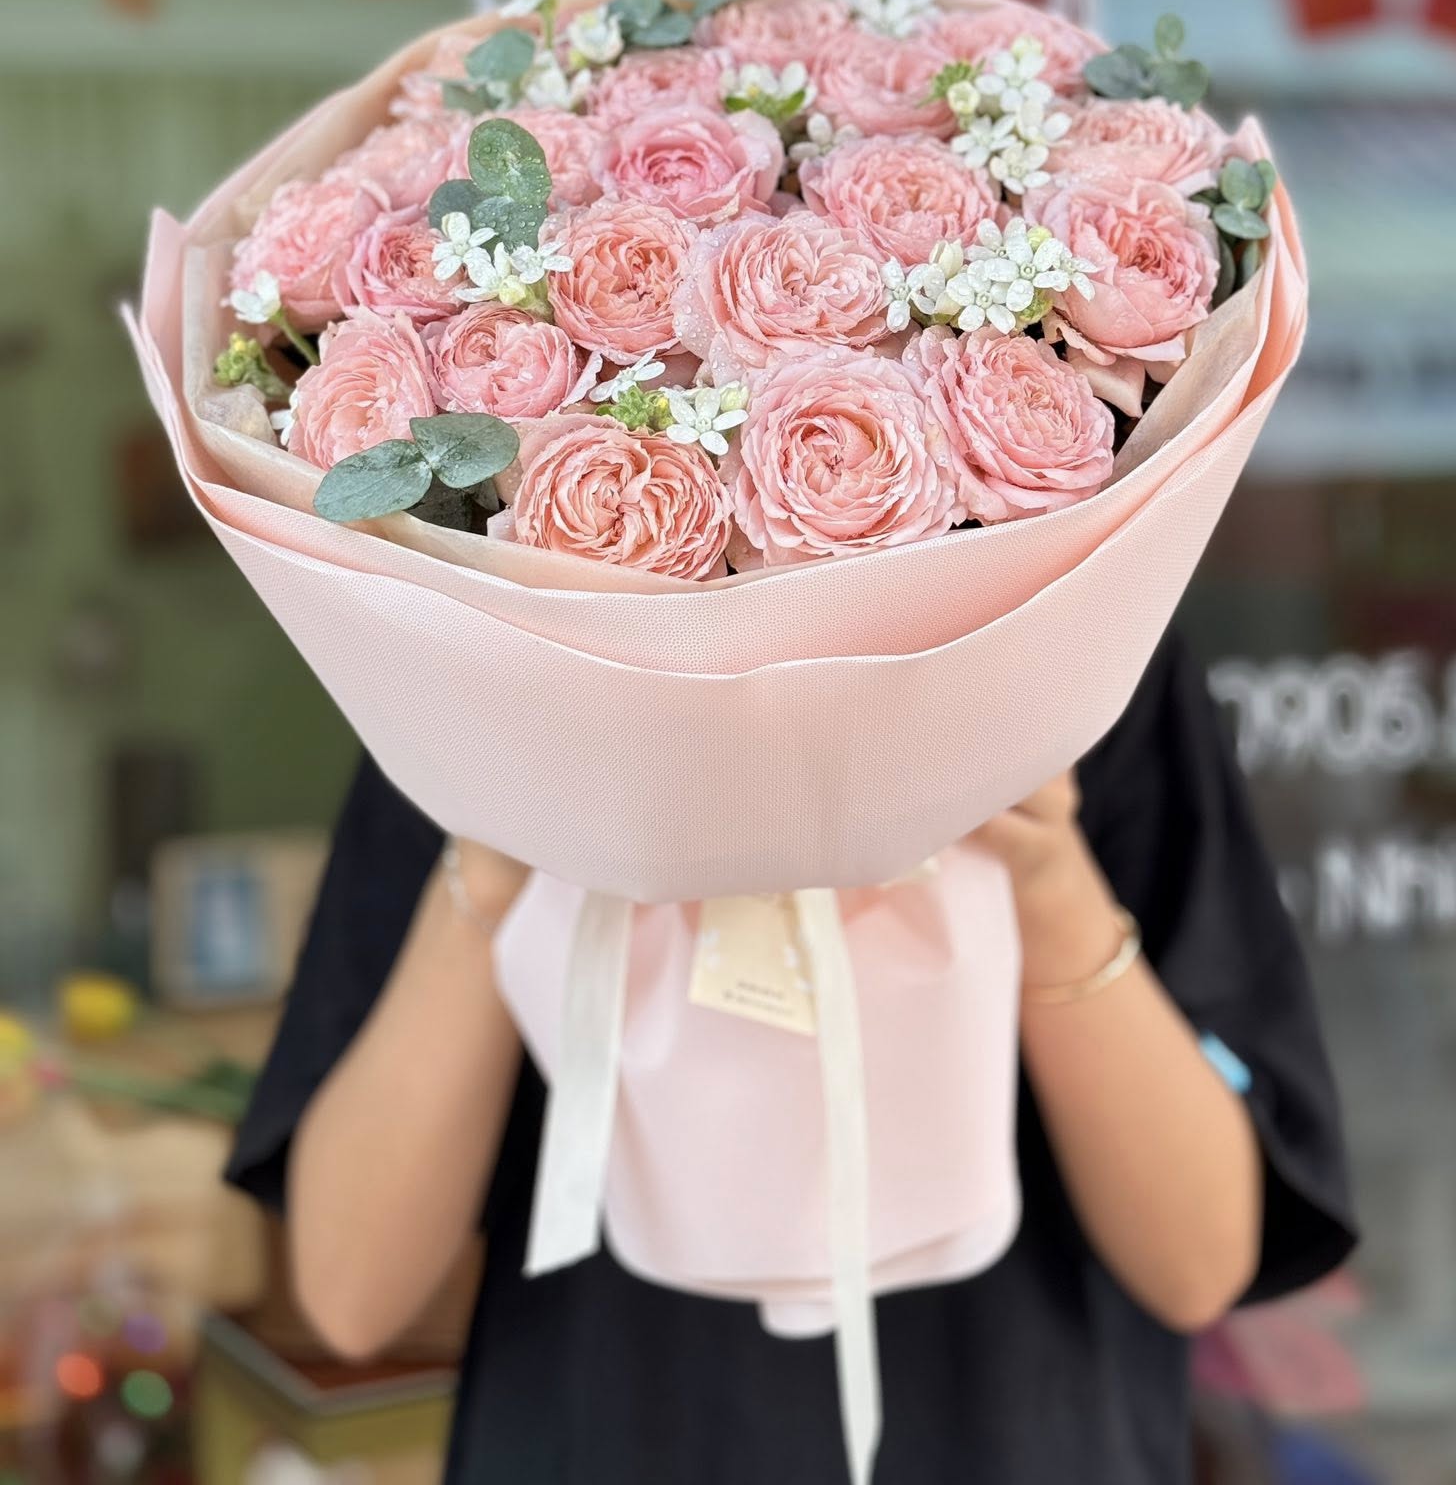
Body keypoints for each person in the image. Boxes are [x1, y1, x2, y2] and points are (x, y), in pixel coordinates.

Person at [227, 625, 1355, 1484]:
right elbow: (352, 1286)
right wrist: (505, 819)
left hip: (1017, 1427)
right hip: (602, 1426)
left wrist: (1046, 871)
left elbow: (1199, 1255)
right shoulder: (478, 659)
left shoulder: (1080, 645)